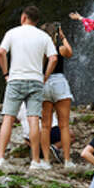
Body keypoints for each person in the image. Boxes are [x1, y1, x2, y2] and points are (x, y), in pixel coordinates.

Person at [0, 6, 57, 169]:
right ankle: (36, 160)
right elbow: (54, 58)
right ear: (37, 20)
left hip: (15, 79)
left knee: (8, 117)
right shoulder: (44, 36)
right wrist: (45, 76)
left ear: (23, 17)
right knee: (34, 118)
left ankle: (0, 157)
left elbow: (1, 52)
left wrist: (6, 73)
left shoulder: (12, 33)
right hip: (35, 80)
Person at [39, 22, 76, 169]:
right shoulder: (59, 49)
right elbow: (70, 52)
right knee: (64, 126)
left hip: (44, 82)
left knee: (46, 126)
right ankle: (67, 161)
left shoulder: (40, 51)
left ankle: (46, 161)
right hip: (60, 83)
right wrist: (63, 37)